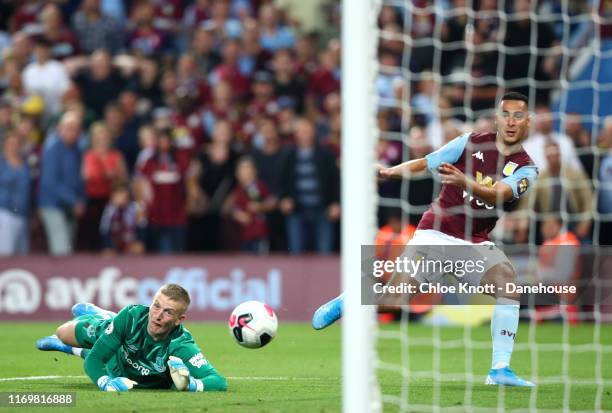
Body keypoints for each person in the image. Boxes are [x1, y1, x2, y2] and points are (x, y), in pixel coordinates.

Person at [312, 92, 539, 387]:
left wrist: (464, 181)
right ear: (497, 118)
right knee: (393, 302)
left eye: (518, 116)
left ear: (527, 122)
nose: (511, 121)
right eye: (505, 114)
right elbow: (427, 161)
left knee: (508, 286)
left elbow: (501, 193)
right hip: (436, 233)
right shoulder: (469, 142)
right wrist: (389, 172)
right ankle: (352, 298)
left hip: (474, 242)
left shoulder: (527, 167)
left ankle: (499, 369)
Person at [35, 284, 227, 392]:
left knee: (107, 354)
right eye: (156, 306)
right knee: (63, 333)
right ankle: (105, 317)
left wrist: (191, 385)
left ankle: (68, 349)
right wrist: (105, 383)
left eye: (168, 312)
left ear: (179, 320)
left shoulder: (181, 344)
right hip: (115, 345)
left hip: (121, 367)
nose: (158, 315)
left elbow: (219, 381)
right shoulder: (131, 318)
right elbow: (95, 359)